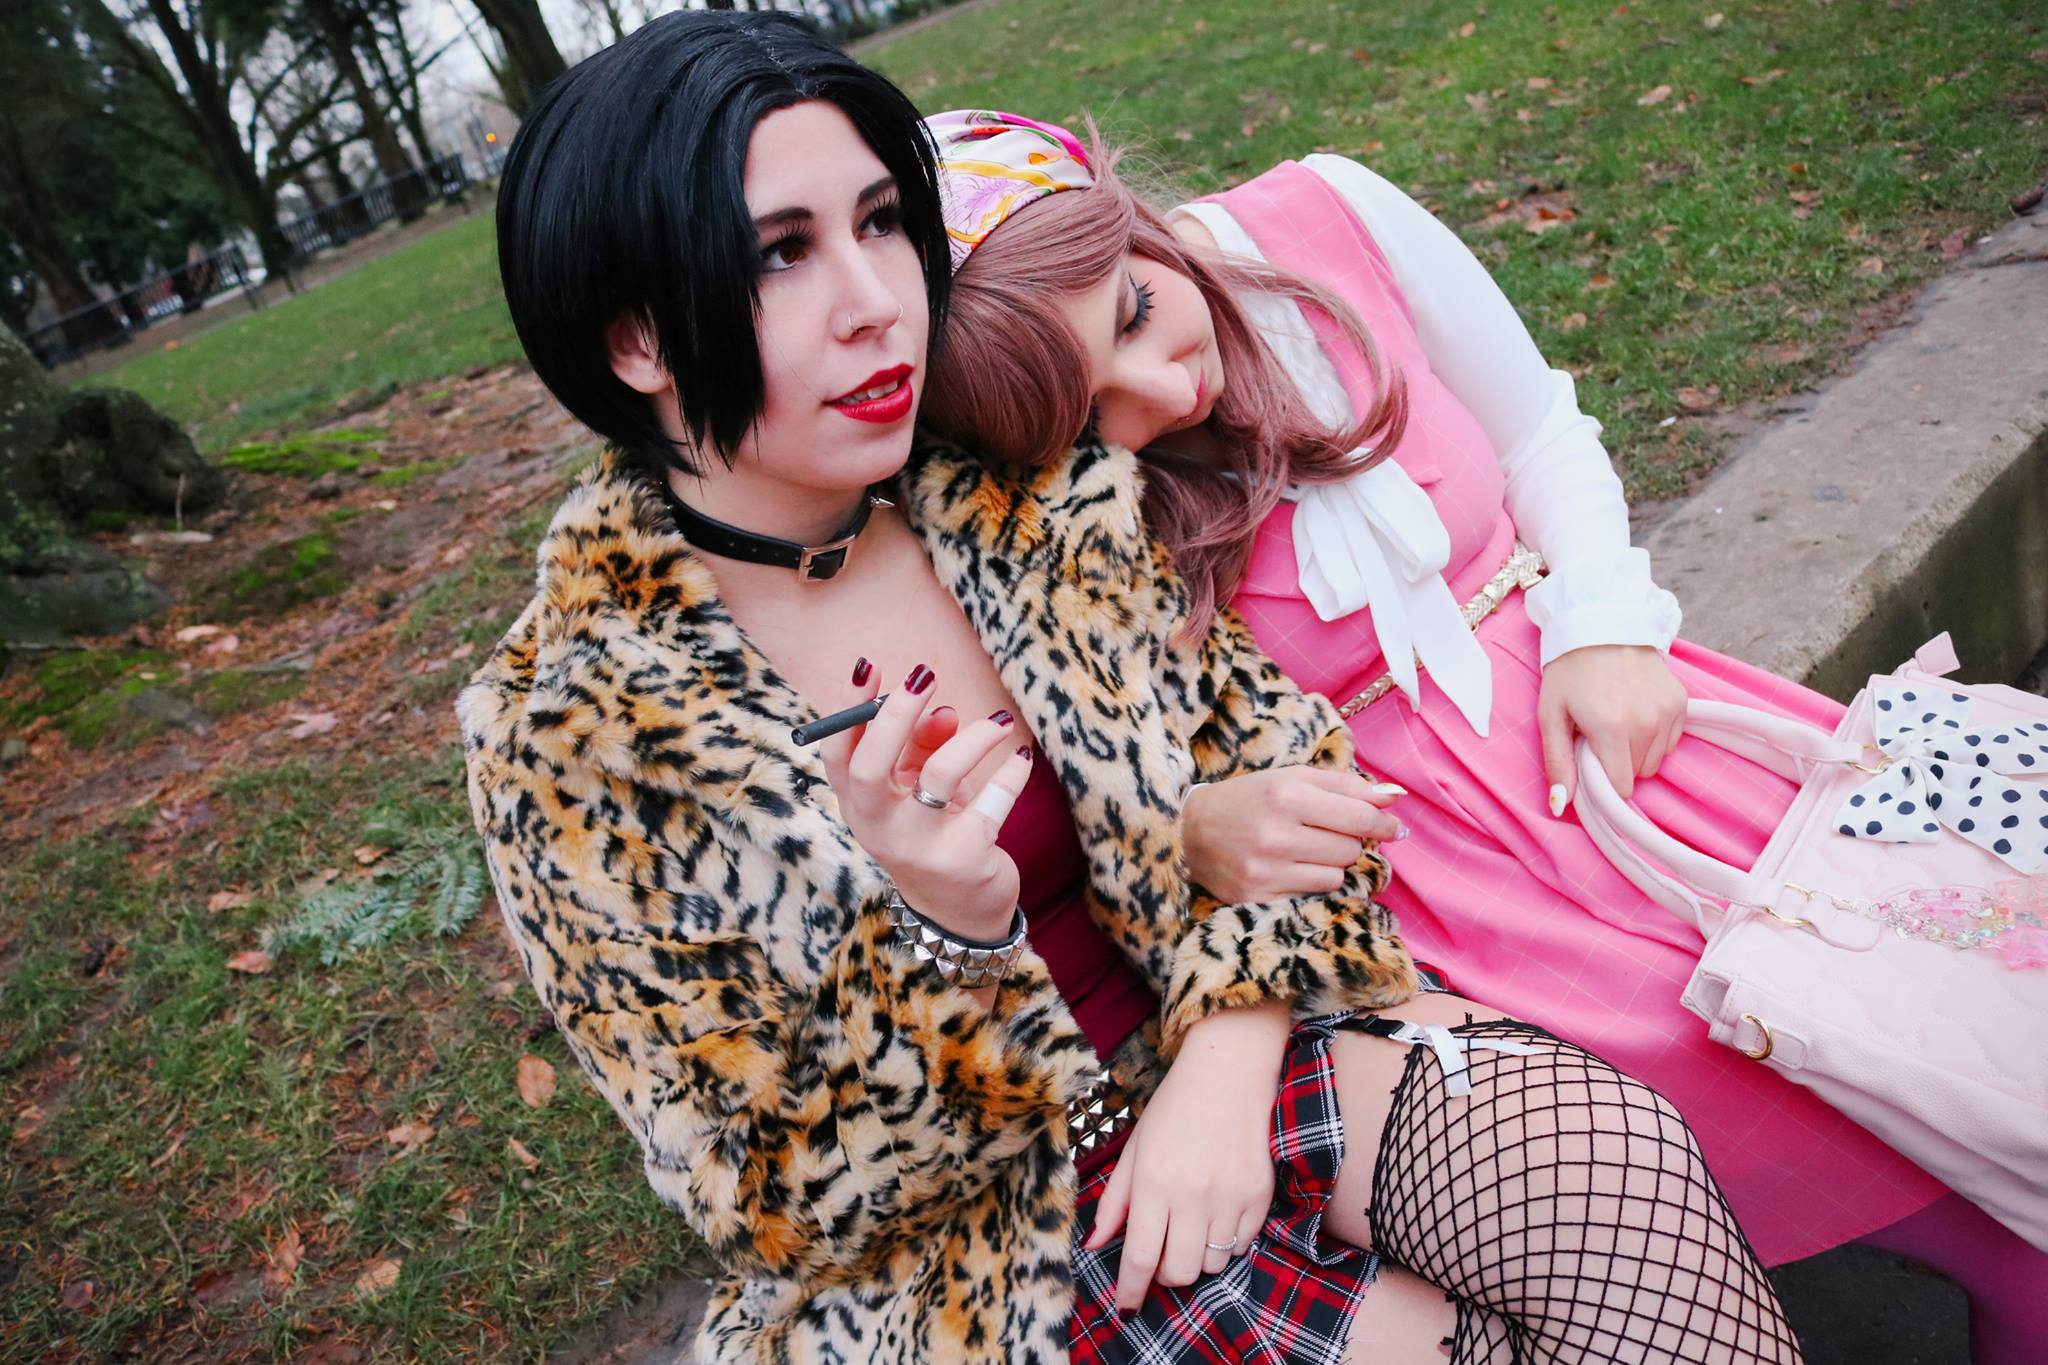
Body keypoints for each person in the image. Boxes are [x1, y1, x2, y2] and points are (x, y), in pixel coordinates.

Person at [460, 15, 1806, 1363]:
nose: (875, 300)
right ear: (638, 342)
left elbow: (1283, 763)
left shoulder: (1004, 489)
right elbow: (773, 1196)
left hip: (1237, 1034)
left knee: (1610, 1172)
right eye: (780, 253)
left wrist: (1224, 1051)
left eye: (880, 222)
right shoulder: (570, 730)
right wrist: (946, 930)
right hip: (981, 1249)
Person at [921, 110, 2048, 1362]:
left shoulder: (1323, 218)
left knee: (1969, 1040)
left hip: (1617, 746)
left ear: (1125, 215)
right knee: (1822, 1137)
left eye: (1136, 313)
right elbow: (1102, 748)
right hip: (1430, 886)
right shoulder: (1027, 500)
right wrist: (1192, 826)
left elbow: (1538, 428)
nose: (1164, 394)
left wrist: (1602, 623)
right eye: (1092, 412)